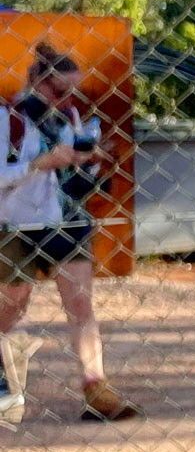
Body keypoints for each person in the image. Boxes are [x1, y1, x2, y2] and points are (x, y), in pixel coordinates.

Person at [0, 42, 132, 423]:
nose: (66, 100)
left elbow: (74, 175)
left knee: (80, 305)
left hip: (66, 220)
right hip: (17, 224)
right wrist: (38, 164)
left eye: (73, 92)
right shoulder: (9, 119)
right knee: (13, 305)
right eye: (59, 90)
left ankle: (96, 388)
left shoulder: (71, 117)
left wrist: (90, 161)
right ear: (37, 81)